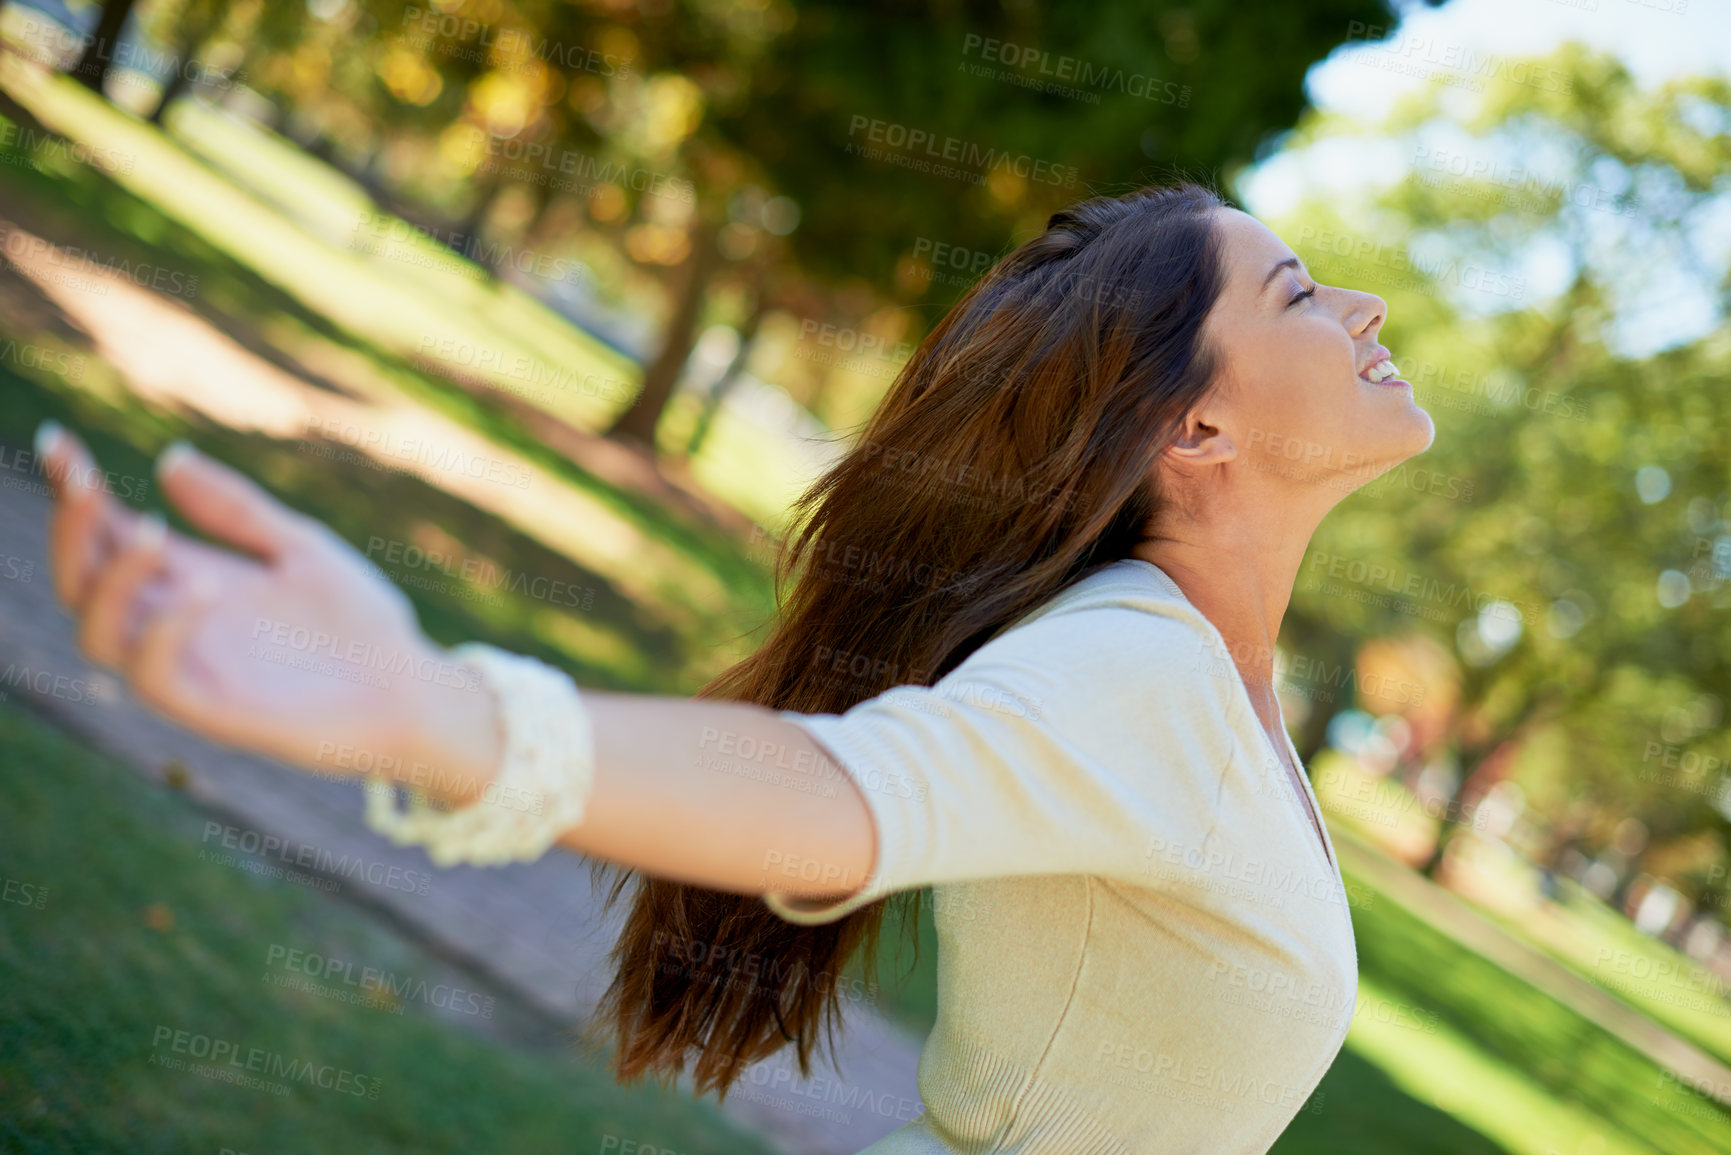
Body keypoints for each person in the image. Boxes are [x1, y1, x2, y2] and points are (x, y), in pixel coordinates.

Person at [35, 180, 1433, 1154]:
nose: (1364, 306)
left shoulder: (1209, 684)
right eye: (1303, 294)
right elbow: (835, 791)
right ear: (1193, 432)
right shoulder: (1142, 669)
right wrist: (437, 711)